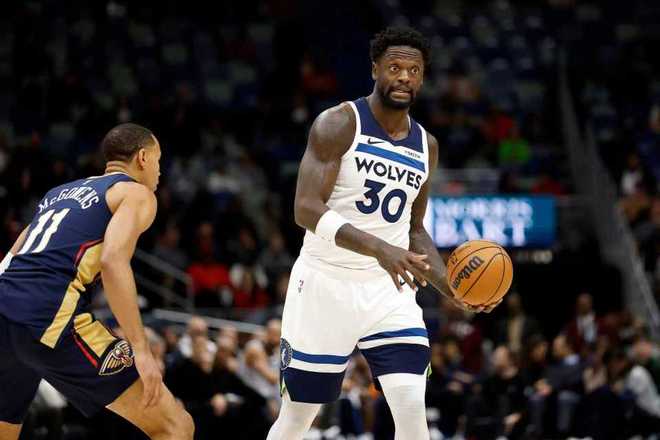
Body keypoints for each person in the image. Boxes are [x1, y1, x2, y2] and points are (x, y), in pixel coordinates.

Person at [267, 27, 500, 440]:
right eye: (395, 67)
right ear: (375, 69)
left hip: (387, 290)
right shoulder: (339, 123)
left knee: (411, 407)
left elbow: (414, 230)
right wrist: (381, 249)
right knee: (298, 418)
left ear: (422, 78)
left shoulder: (426, 145)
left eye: (414, 70)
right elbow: (305, 208)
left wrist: (452, 288)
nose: (404, 76)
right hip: (325, 283)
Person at [0, 123, 194, 439]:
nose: (160, 171)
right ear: (143, 157)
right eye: (158, 160)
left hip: (4, 310)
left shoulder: (57, 194)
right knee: (176, 427)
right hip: (48, 315)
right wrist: (141, 349)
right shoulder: (136, 193)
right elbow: (113, 260)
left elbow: (10, 259)